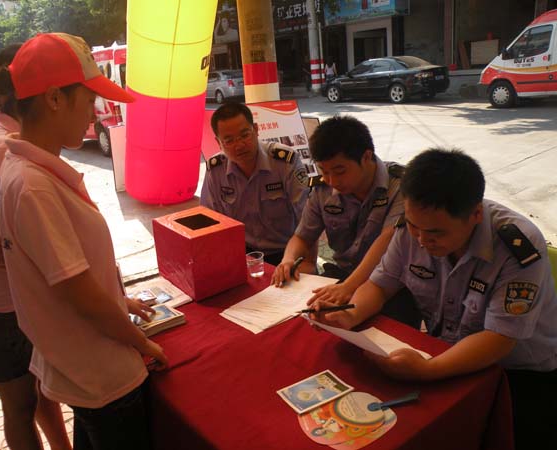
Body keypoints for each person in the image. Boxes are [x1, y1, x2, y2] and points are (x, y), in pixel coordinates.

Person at [313, 148, 557, 449]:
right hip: (443, 352)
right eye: (414, 227)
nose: (421, 240)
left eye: (435, 233)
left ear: (475, 214)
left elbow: (500, 338)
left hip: (519, 374)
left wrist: (428, 371)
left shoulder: (517, 245)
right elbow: (380, 285)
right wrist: (349, 315)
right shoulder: (412, 227)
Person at [0, 33, 168, 450]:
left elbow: (65, 270)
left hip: (81, 365)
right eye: (88, 99)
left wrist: (120, 299)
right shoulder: (33, 185)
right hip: (103, 373)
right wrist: (143, 343)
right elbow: (80, 294)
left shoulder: (25, 168)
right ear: (54, 98)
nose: (94, 112)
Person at [0, 44, 72, 450]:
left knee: (40, 388)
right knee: (20, 403)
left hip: (5, 300)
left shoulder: (12, 141)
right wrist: (67, 283)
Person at [272, 116, 420, 328]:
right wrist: (288, 260)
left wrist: (349, 287)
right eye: (325, 172)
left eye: (340, 171)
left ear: (366, 156)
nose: (332, 181)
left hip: (390, 286)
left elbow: (388, 240)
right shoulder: (323, 190)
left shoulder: (401, 186)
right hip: (341, 276)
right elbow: (302, 236)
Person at [200, 102, 310, 266]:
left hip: (286, 253)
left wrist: (302, 262)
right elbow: (209, 222)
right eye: (229, 140)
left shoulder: (285, 162)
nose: (239, 145)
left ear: (256, 130)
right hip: (241, 254)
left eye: (245, 135)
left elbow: (307, 220)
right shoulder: (215, 170)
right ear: (218, 143)